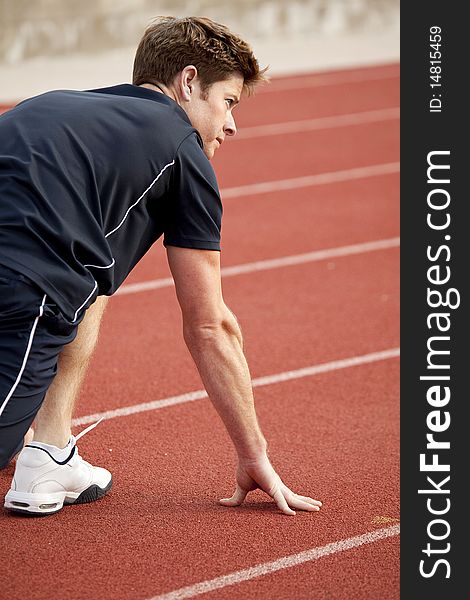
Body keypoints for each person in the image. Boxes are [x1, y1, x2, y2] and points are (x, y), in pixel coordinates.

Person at [0, 16, 322, 517]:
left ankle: (50, 451)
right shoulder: (183, 151)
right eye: (229, 102)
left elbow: (93, 277)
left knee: (94, 278)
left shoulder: (47, 104)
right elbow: (210, 325)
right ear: (188, 81)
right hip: (24, 295)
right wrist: (252, 452)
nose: (232, 124)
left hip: (32, 280)